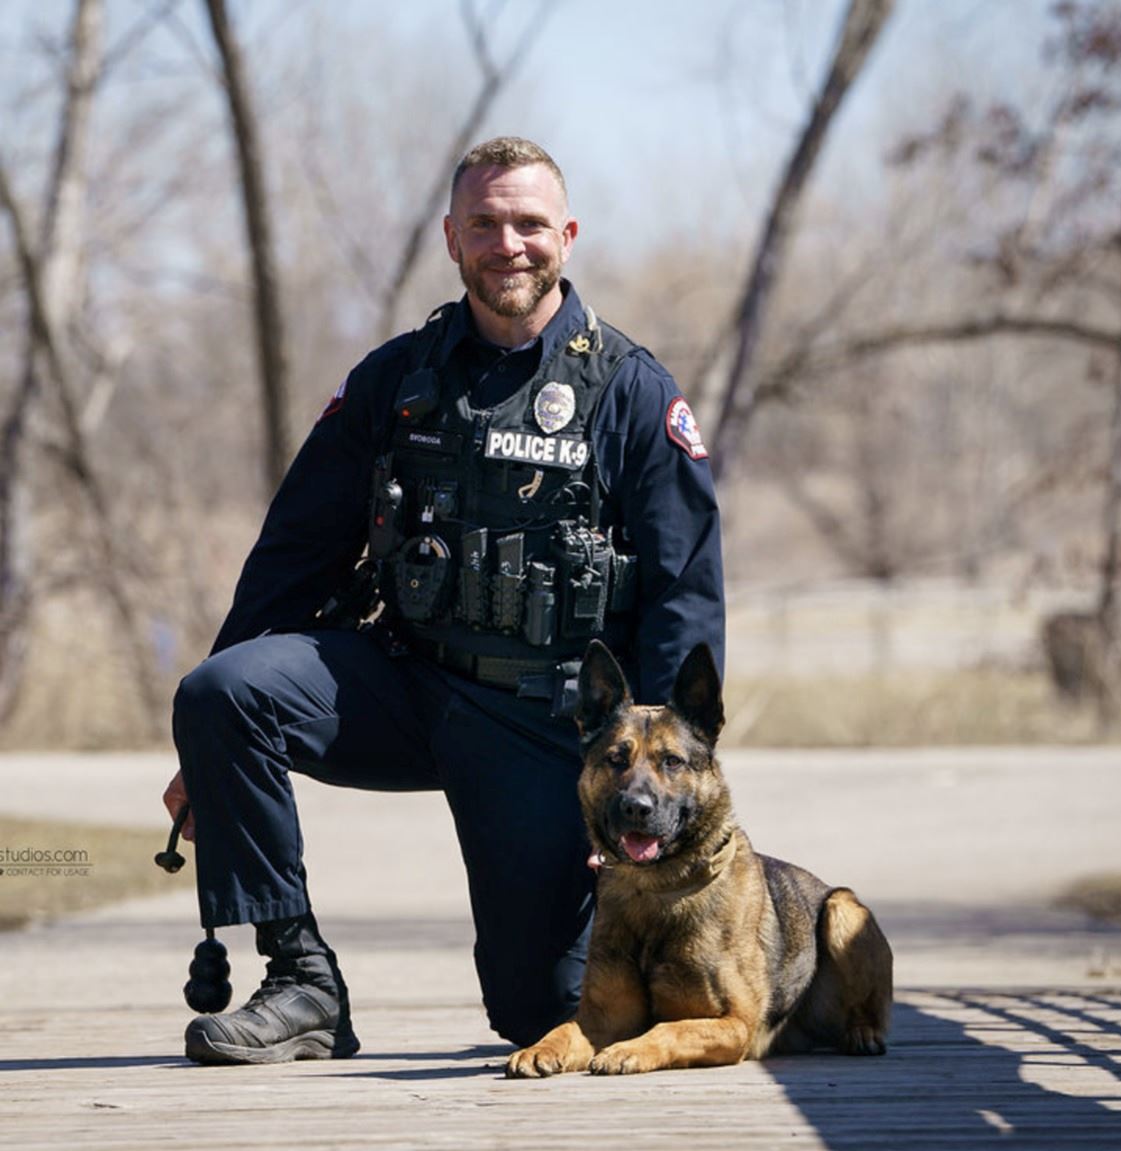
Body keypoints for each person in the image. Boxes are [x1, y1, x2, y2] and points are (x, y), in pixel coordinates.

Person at [163, 136, 725, 1065]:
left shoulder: (630, 390)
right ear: (452, 240)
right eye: (486, 224)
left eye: (530, 224)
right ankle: (301, 981)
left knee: (540, 1010)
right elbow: (293, 555)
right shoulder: (397, 380)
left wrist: (647, 792)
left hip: (544, 729)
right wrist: (204, 750)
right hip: (404, 681)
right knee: (224, 694)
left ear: (568, 236)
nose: (509, 243)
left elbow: (684, 598)